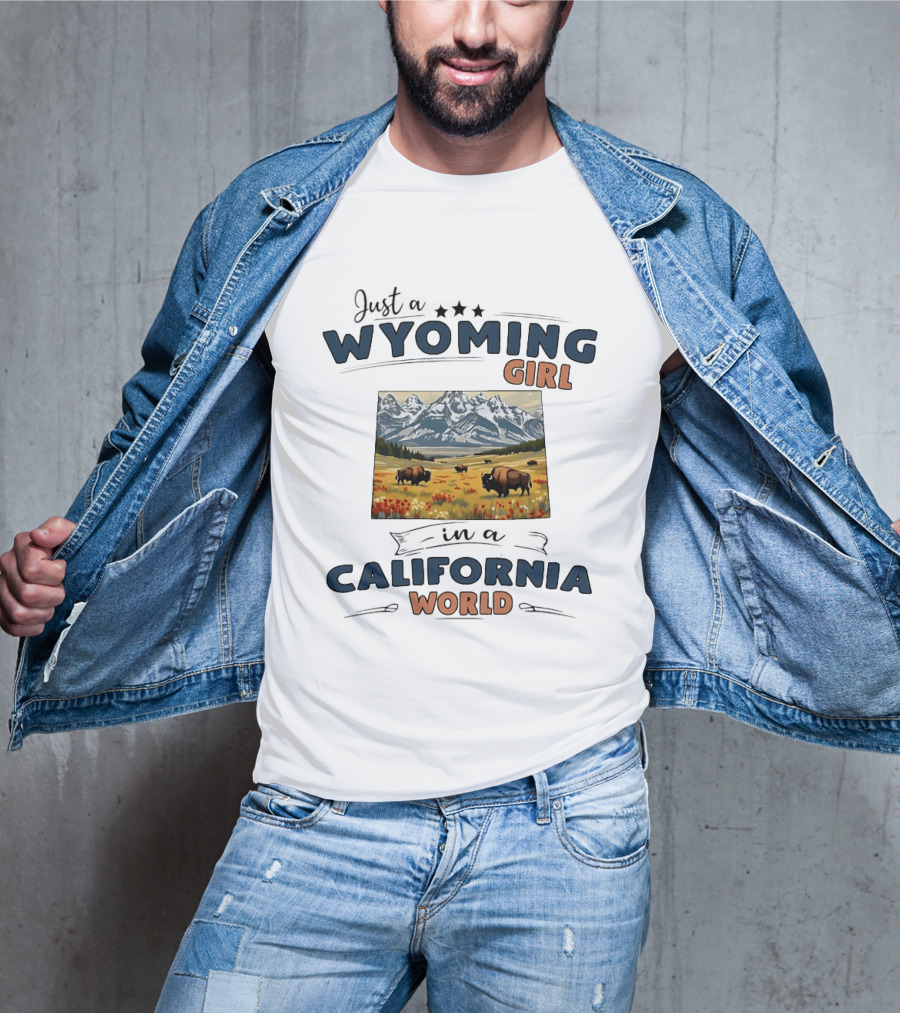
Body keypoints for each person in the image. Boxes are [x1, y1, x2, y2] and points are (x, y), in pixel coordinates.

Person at [2, 3, 899, 1011]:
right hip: (315, 808)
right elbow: (155, 435)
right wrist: (66, 568)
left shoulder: (674, 231)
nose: (472, 25)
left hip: (565, 827)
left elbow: (791, 464)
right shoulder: (273, 219)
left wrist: (868, 561)